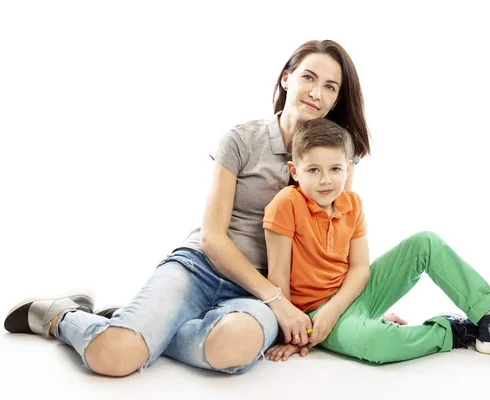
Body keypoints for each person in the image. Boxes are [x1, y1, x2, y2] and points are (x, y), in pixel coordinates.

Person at [3, 39, 369, 375]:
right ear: (287, 79)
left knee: (234, 347)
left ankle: (145, 329)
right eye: (309, 77)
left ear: (336, 100)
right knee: (113, 357)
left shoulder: (338, 162)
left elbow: (332, 253)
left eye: (330, 87)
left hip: (257, 295)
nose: (316, 93)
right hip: (201, 268)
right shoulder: (241, 140)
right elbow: (212, 237)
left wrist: (359, 313)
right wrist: (276, 297)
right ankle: (62, 315)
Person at [262, 118, 490, 363]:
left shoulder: (351, 203)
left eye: (335, 169)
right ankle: (453, 332)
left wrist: (337, 308)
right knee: (376, 344)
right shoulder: (286, 203)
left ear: (348, 168)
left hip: (353, 294)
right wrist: (291, 333)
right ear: (295, 171)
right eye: (313, 170)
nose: (325, 180)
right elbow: (278, 279)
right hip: (313, 314)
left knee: (425, 241)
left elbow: (359, 270)